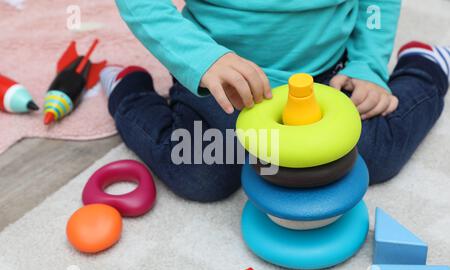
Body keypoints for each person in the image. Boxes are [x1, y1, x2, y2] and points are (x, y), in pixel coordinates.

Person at [100, 0, 450, 202]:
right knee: (202, 173)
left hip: (326, 73)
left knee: (375, 155)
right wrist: (201, 59)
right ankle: (130, 92)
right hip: (222, 78)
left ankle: (424, 66)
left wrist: (369, 65)